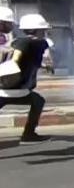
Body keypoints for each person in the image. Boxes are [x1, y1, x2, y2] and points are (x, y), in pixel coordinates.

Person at [0, 14, 51, 143]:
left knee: (38, 101)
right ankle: (29, 134)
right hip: (17, 89)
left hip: (7, 89)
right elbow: (18, 57)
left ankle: (29, 134)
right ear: (37, 30)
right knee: (38, 101)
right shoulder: (32, 43)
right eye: (43, 30)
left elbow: (25, 59)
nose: (44, 32)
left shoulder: (18, 42)